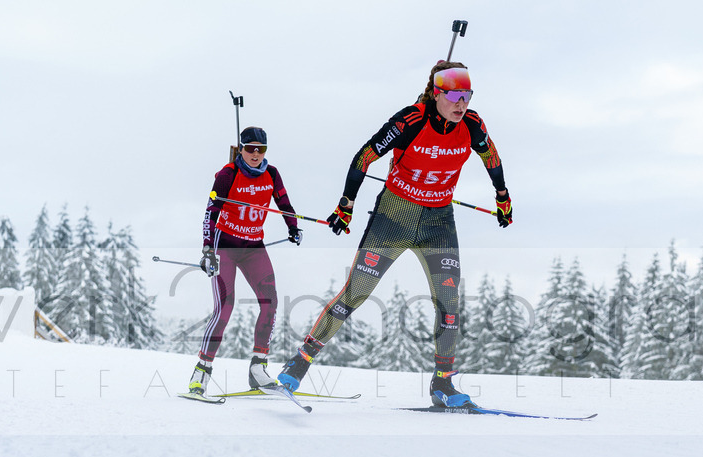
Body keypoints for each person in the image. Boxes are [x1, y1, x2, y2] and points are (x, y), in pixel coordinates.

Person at [276, 62, 513, 407]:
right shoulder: (411, 120)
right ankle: (299, 362)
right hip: (394, 216)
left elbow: (491, 156)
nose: (462, 104)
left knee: (449, 305)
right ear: (437, 94)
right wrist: (346, 203)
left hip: (438, 222)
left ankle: (443, 383)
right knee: (356, 293)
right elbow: (364, 156)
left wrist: (502, 195)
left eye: (467, 95)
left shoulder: (472, 125)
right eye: (455, 96)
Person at [187, 126, 303, 396]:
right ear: (241, 148)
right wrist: (207, 250)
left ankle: (258, 369)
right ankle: (201, 372)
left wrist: (293, 227)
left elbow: (285, 204)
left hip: (253, 246)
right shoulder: (228, 175)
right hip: (224, 246)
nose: (255, 154)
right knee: (225, 308)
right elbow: (210, 214)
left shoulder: (272, 174)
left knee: (270, 302)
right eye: (249, 148)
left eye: (260, 149)